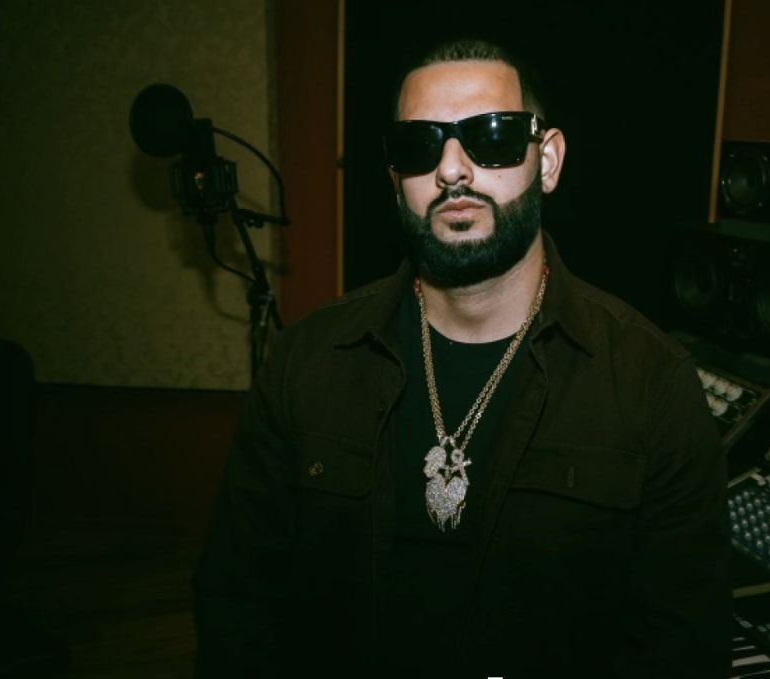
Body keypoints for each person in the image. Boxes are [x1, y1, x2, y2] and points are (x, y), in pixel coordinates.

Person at [193, 37, 731, 678]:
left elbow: (679, 647)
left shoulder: (650, 382)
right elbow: (238, 603)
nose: (452, 169)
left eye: (491, 136)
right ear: (396, 179)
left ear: (547, 160)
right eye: (419, 145)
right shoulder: (308, 360)